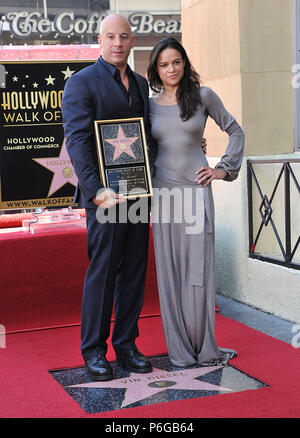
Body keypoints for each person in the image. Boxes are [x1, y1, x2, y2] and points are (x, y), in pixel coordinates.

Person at [61, 14, 154, 381]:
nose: (118, 43)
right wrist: (95, 189)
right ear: (99, 39)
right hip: (105, 198)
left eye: (125, 37)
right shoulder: (82, 83)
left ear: (133, 42)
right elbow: (78, 140)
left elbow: (150, 136)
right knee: (103, 271)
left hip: (138, 193)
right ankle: (94, 351)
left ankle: (127, 344)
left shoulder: (143, 85)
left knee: (134, 270)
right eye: (111, 36)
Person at [147, 37, 245, 367]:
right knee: (170, 270)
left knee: (197, 269)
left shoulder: (203, 96)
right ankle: (180, 351)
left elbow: (236, 131)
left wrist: (222, 169)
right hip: (163, 196)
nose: (171, 69)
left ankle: (204, 346)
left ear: (185, 64)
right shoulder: (148, 106)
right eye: (164, 64)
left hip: (195, 191)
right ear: (156, 70)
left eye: (176, 62)